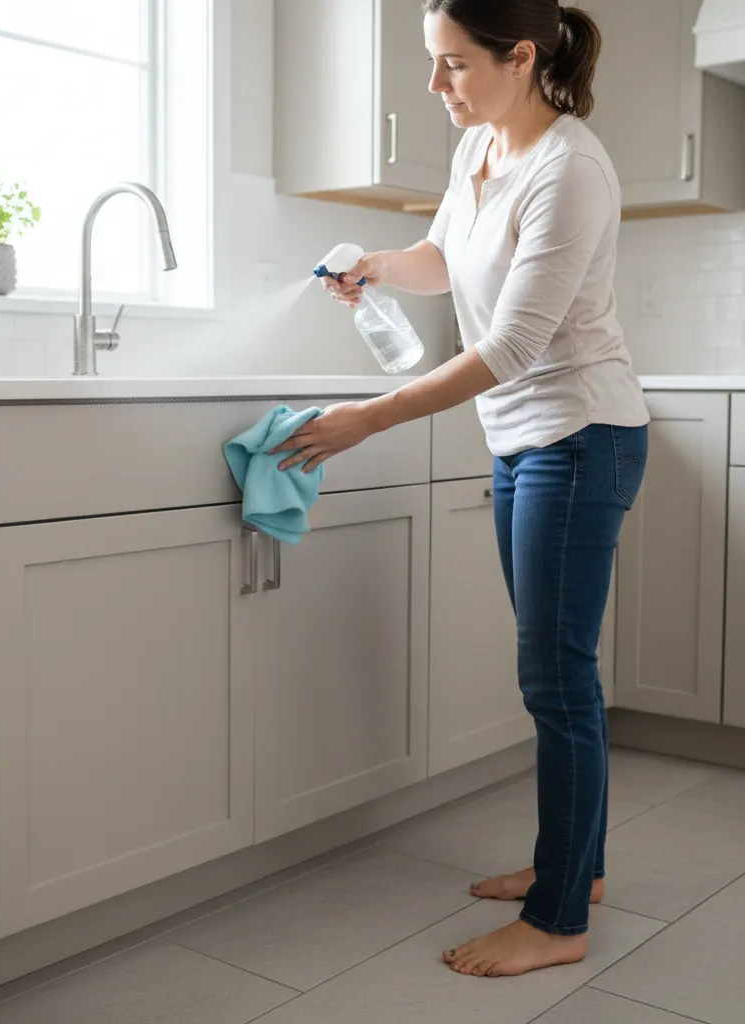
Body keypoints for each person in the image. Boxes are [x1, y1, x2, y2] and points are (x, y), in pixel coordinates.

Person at [270, 0, 650, 979]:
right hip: (523, 439)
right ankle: (578, 869)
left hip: (579, 435)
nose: (435, 85)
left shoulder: (569, 171)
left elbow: (512, 345)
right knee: (558, 676)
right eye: (432, 63)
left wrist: (370, 417)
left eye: (453, 64)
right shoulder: (479, 145)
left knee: (555, 680)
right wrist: (376, 266)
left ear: (519, 57)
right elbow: (445, 260)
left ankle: (557, 919)